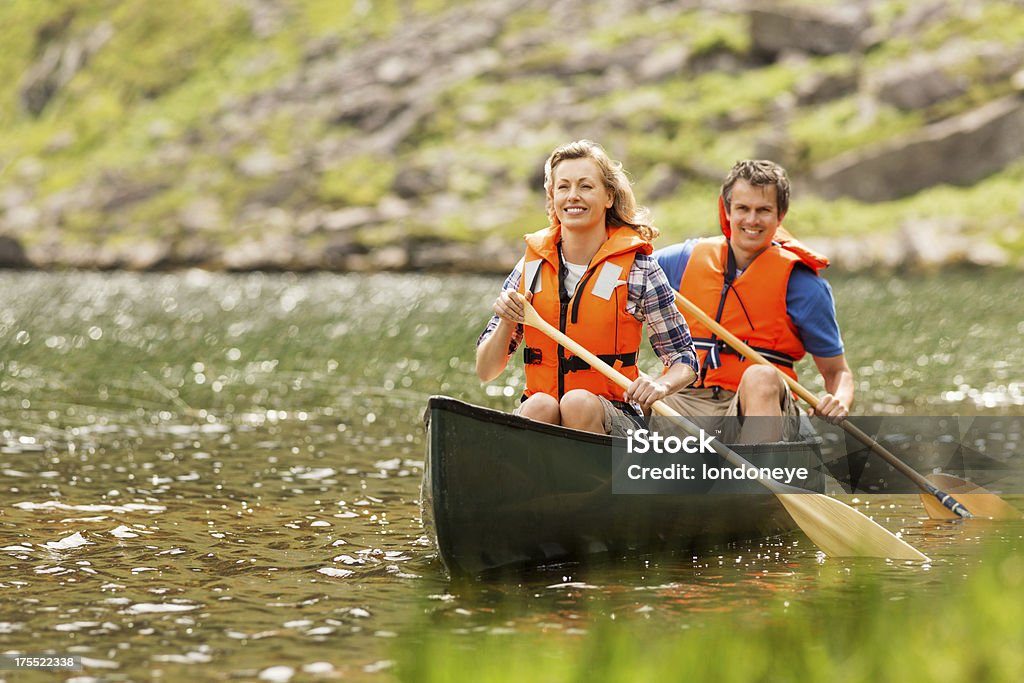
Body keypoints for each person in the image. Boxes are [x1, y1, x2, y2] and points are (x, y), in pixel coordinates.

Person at [476, 140, 698, 435]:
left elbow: (684, 358)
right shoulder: (531, 266)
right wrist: (507, 320)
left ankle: (595, 477)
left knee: (577, 403)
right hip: (543, 411)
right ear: (552, 195)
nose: (573, 196)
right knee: (538, 405)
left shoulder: (638, 269)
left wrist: (660, 384)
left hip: (616, 417)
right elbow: (486, 370)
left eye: (585, 186)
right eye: (563, 187)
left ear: (608, 196)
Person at [654, 159, 854, 444]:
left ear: (780, 215)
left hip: (756, 405)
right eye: (743, 209)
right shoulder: (681, 261)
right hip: (687, 402)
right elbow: (624, 272)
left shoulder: (805, 286)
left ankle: (750, 483)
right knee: (641, 389)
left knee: (761, 377)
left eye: (763, 210)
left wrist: (839, 400)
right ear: (727, 211)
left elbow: (838, 372)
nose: (751, 220)